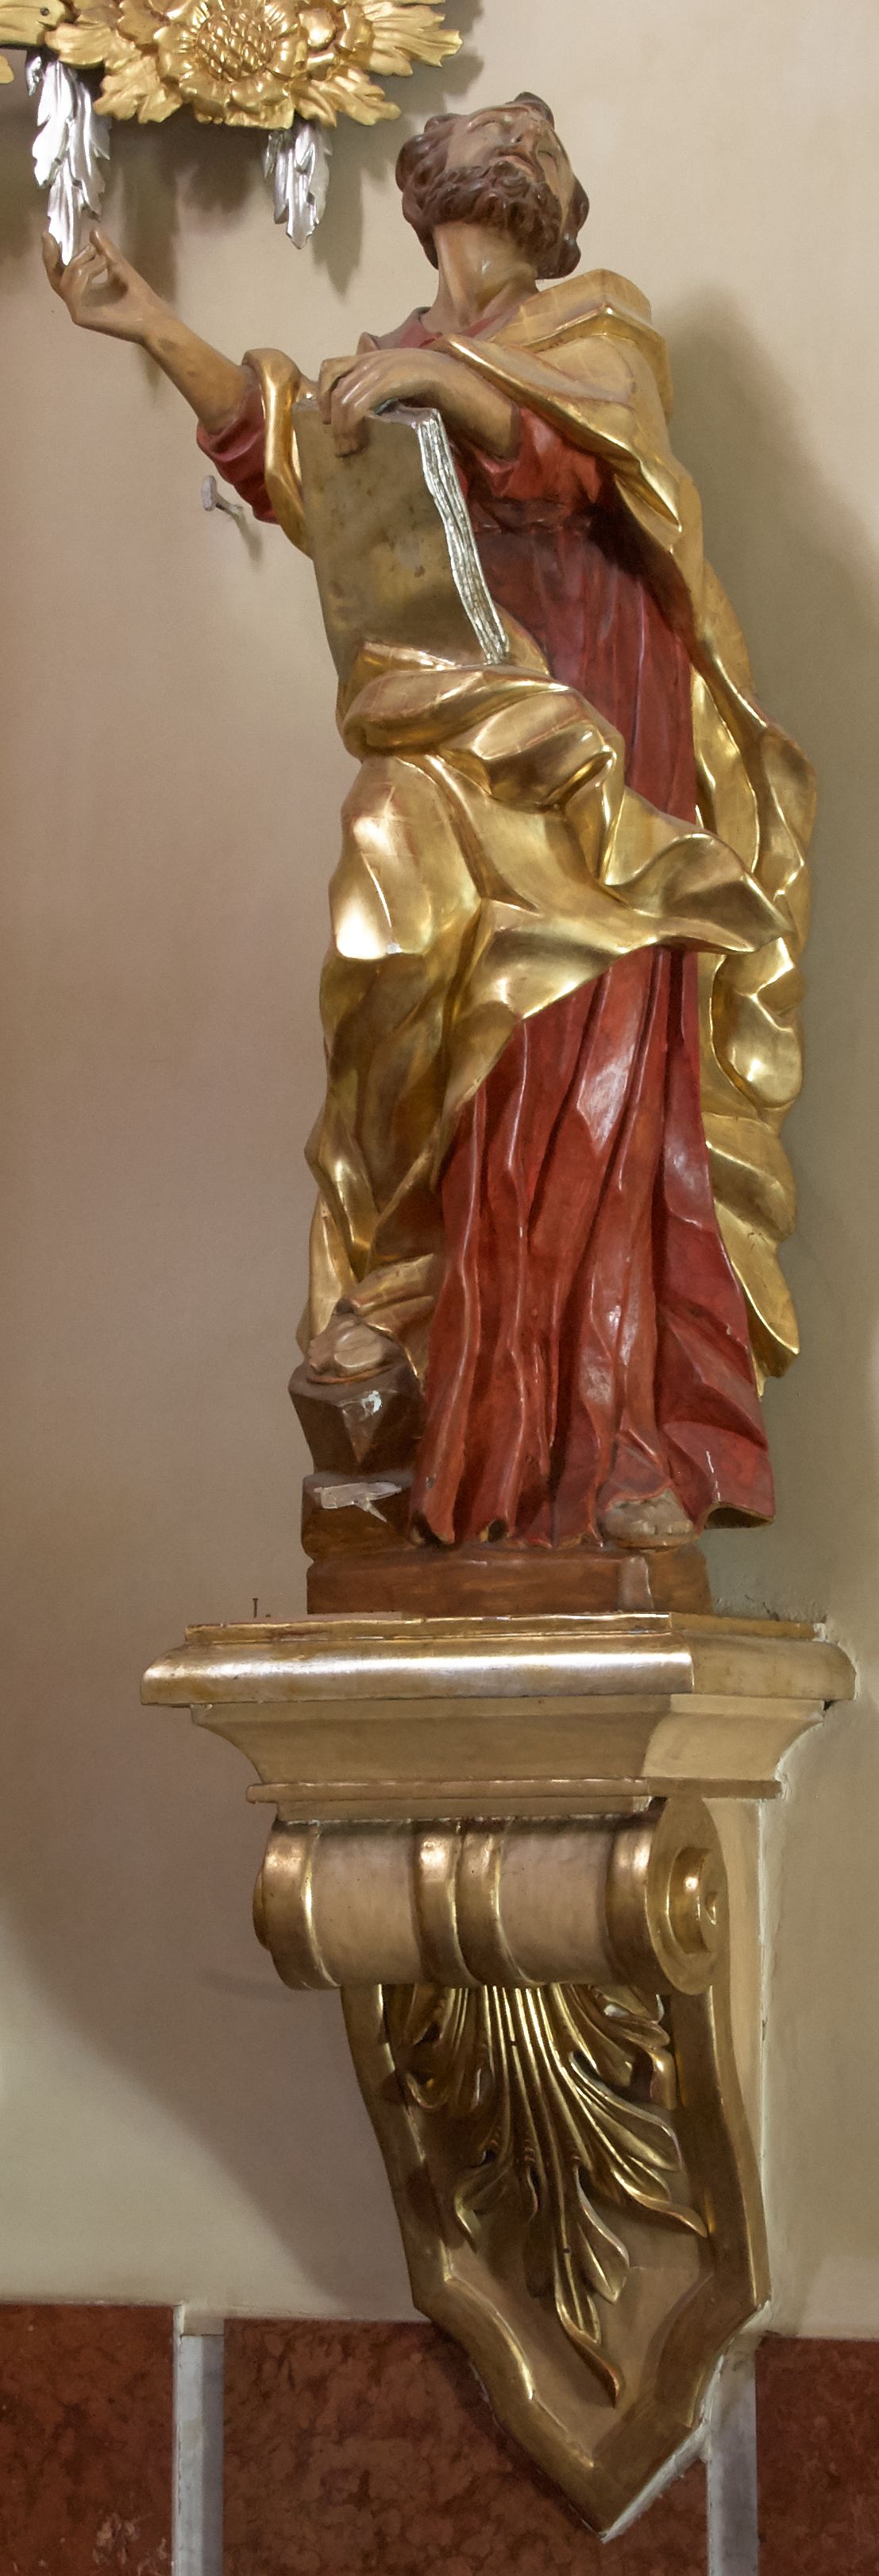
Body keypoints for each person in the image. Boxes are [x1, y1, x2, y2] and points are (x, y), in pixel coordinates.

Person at [44, 95, 812, 1550]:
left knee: (579, 1078)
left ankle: (607, 1451)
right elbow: (294, 466)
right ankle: (429, 1381)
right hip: (446, 747)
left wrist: (439, 380)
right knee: (395, 985)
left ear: (546, 209)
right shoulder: (398, 353)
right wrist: (150, 324)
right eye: (482, 164)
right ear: (434, 200)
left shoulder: (599, 323)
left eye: (524, 162)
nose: (508, 170)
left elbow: (573, 450)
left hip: (591, 761)